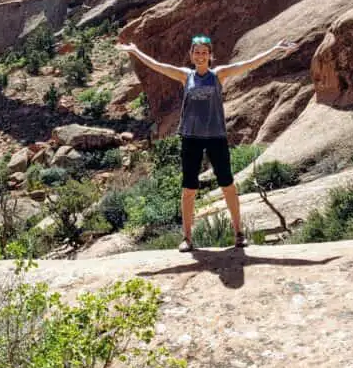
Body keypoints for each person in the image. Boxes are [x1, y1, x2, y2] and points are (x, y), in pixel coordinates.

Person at [117, 34, 299, 252]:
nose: (201, 56)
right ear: (191, 55)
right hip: (191, 137)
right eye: (197, 52)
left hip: (216, 137)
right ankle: (187, 238)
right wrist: (136, 52)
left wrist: (275, 48)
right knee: (188, 188)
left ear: (210, 55)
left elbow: (249, 64)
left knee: (227, 185)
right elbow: (158, 66)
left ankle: (239, 233)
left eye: (205, 52)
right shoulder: (186, 76)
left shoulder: (218, 75)